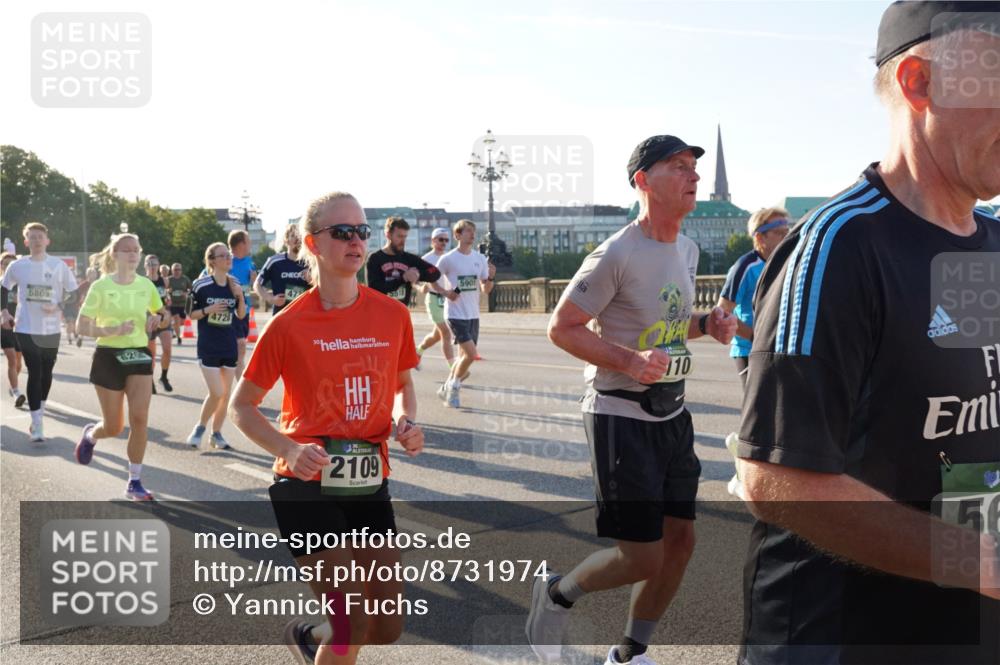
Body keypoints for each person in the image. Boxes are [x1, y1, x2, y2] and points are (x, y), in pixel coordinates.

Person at [736, 4, 1000, 664]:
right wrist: (979, 557)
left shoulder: (990, 243)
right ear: (919, 81)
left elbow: (968, 408)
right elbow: (774, 476)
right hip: (839, 637)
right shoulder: (840, 247)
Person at [528, 135, 737, 665]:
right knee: (643, 556)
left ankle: (630, 652)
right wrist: (627, 362)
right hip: (620, 416)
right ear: (643, 181)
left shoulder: (686, 249)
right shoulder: (617, 251)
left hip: (674, 412)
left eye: (693, 166)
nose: (691, 176)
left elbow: (664, 328)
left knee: (681, 542)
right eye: (677, 167)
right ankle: (556, 593)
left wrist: (705, 325)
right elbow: (562, 327)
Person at [229, 191, 424, 665]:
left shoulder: (392, 315)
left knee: (386, 626)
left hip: (367, 480)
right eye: (342, 232)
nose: (356, 241)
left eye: (361, 231)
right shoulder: (289, 324)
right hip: (305, 483)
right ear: (313, 244)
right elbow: (242, 406)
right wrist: (289, 449)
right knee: (352, 621)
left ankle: (311, 636)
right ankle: (329, 634)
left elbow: (402, 383)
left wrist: (406, 419)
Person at [74, 233, 169, 501]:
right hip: (108, 356)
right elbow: (82, 325)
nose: (132, 254)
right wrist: (111, 329)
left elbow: (163, 313)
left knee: (139, 418)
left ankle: (134, 481)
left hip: (138, 354)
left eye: (135, 250)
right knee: (114, 427)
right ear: (114, 255)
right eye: (126, 250)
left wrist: (158, 320)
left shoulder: (146, 286)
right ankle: (92, 435)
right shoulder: (101, 287)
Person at [0, 222, 78, 441]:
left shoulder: (58, 266)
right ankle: (37, 422)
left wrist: (58, 306)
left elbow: (73, 293)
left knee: (47, 371)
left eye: (39, 237)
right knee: (35, 371)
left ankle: (40, 410)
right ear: (26, 242)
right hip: (25, 327)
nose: (36, 240)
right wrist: (4, 312)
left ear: (47, 240)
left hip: (51, 328)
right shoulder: (18, 266)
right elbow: (4, 288)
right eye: (31, 237)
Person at [717, 207, 789, 389]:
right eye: (779, 233)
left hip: (781, 350)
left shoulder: (788, 262)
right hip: (750, 351)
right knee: (758, 413)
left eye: (787, 232)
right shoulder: (746, 266)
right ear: (759, 237)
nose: (786, 237)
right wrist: (754, 336)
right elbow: (722, 312)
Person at [185, 242, 246, 450]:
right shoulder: (201, 285)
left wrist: (239, 296)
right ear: (212, 261)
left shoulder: (234, 283)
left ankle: (216, 434)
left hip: (228, 345)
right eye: (223, 256)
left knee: (226, 395)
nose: (229, 259)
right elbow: (190, 314)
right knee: (216, 392)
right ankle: (200, 427)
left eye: (229, 255)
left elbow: (241, 314)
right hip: (208, 346)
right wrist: (208, 309)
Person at [434, 219, 496, 408]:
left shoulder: (480, 259)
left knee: (464, 357)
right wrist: (446, 293)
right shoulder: (448, 259)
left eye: (473, 231)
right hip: (454, 313)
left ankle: (446, 387)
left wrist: (491, 277)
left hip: (473, 314)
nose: (472, 234)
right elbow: (432, 280)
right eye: (468, 231)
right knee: (471, 354)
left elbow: (486, 289)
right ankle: (453, 387)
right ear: (458, 235)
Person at [365, 216, 443, 307]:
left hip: (402, 312)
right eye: (399, 236)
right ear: (388, 234)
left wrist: (418, 274)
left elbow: (435, 272)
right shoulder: (375, 258)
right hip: (380, 311)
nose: (403, 241)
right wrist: (403, 278)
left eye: (405, 237)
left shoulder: (409, 259)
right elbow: (374, 289)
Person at [415, 227, 456, 369]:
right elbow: (414, 281)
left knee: (436, 335)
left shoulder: (449, 257)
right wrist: (420, 288)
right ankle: (454, 369)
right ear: (433, 241)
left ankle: (418, 350)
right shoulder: (426, 259)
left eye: (446, 240)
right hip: (433, 299)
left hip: (448, 300)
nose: (444, 242)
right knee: (446, 332)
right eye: (441, 239)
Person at [254, 224, 309, 316]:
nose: (297, 238)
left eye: (299, 235)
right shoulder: (274, 261)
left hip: (304, 317)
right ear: (286, 240)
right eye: (293, 235)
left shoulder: (310, 261)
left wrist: (313, 280)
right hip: (281, 317)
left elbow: (325, 289)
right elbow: (257, 284)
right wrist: (271, 299)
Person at [227, 230, 257, 378]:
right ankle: (237, 383)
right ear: (241, 244)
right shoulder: (226, 260)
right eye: (248, 241)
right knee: (240, 345)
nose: (250, 244)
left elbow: (253, 284)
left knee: (240, 349)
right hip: (228, 311)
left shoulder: (249, 262)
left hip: (244, 310)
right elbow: (204, 276)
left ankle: (237, 380)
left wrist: (253, 280)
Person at [144, 255, 173, 393]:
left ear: (158, 265)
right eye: (149, 264)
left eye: (154, 264)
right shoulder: (142, 282)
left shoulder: (165, 281)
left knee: (167, 349)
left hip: (163, 318)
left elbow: (167, 297)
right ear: (145, 266)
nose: (152, 266)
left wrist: (168, 304)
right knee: (151, 354)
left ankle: (164, 377)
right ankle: (150, 380)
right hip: (148, 319)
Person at [0, 252, 25, 408]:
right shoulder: (1, 283)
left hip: (20, 326)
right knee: (12, 360)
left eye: (11, 264)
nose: (8, 266)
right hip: (4, 327)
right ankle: (16, 392)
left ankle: (13, 384)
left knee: (18, 363)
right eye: (5, 263)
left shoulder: (21, 284)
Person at [167, 262, 192, 343]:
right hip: (173, 303)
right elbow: (162, 290)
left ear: (181, 270)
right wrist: (167, 291)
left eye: (179, 269)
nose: (177, 271)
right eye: (175, 269)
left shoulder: (185, 279)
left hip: (183, 303)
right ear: (172, 270)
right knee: (176, 319)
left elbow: (191, 289)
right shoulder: (169, 280)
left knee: (182, 322)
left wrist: (186, 293)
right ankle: (178, 338)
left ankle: (173, 327)